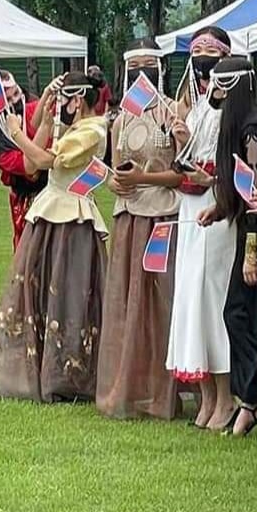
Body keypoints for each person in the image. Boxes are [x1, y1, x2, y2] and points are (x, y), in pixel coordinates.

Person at [0, 71, 108, 403]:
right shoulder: (70, 128)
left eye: (66, 99)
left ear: (78, 99)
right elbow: (30, 165)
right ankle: (42, 365)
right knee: (38, 289)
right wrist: (43, 117)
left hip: (73, 215)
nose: (63, 105)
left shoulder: (94, 130)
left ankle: (70, 373)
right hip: (50, 209)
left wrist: (14, 133)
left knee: (70, 292)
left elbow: (44, 159)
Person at [96, 39, 183, 420]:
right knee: (126, 304)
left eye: (150, 67)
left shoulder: (173, 110)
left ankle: (166, 391)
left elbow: (183, 173)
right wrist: (117, 183)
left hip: (162, 215)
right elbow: (116, 167)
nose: (142, 75)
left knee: (160, 302)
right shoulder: (122, 117)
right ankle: (128, 385)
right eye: (137, 68)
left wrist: (145, 177)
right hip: (129, 215)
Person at [196, 56, 257, 436]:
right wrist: (219, 208)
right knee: (238, 314)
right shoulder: (243, 129)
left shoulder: (253, 131)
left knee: (243, 315)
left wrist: (252, 251)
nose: (215, 94)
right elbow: (242, 191)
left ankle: (253, 399)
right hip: (244, 225)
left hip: (256, 233)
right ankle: (252, 400)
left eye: (221, 86)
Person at [165, 26, 237, 431]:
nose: (204, 60)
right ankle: (206, 393)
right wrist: (182, 140)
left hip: (215, 206)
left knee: (212, 297)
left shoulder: (231, 106)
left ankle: (226, 396)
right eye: (198, 52)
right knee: (189, 296)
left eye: (212, 52)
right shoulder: (192, 107)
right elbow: (186, 158)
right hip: (188, 206)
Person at [0, 69, 47, 250]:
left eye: (16, 93)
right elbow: (30, 168)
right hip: (25, 199)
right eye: (7, 99)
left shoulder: (34, 109)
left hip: (55, 190)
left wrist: (48, 94)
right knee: (31, 254)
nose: (15, 101)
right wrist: (18, 131)